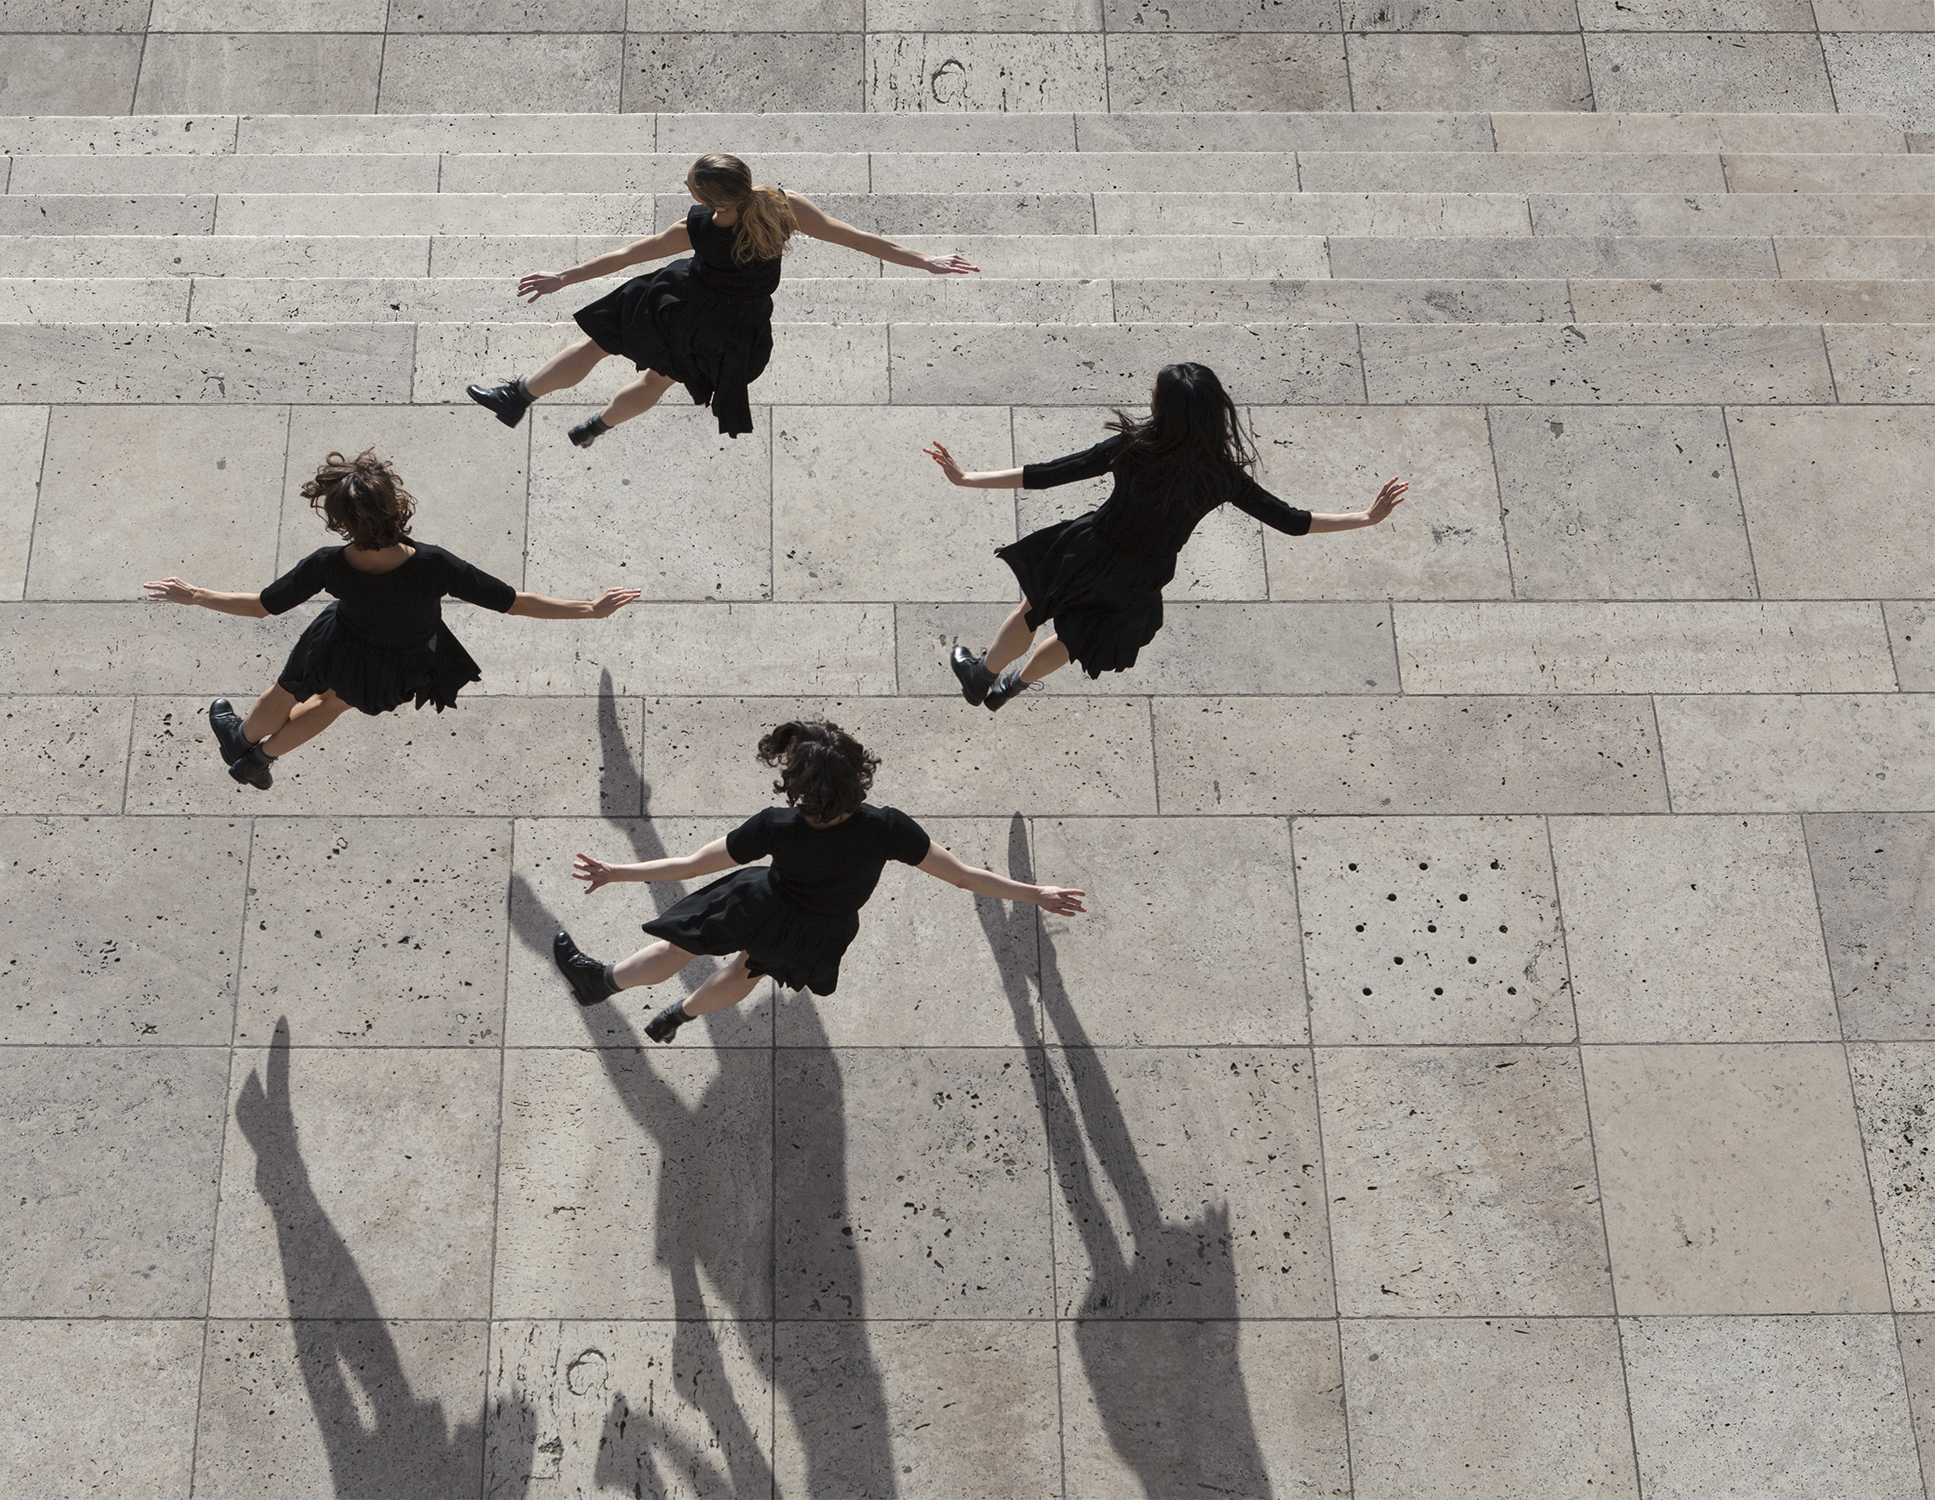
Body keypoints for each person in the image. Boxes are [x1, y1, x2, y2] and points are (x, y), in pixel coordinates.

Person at [550, 720, 1086, 1043]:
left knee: (680, 947)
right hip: (818, 931)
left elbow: (692, 864)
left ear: (799, 787)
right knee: (750, 970)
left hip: (759, 902)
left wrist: (619, 871)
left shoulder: (776, 826)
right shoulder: (886, 828)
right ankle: (679, 1015)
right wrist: (1035, 894)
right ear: (858, 778)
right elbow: (966, 878)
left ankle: (603, 982)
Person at [926, 362, 1409, 710]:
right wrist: (1364, 517)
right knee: (1078, 637)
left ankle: (980, 675)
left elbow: (1050, 473)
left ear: (1167, 410)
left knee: (1033, 609)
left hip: (1092, 549)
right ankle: (1011, 688)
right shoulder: (1221, 475)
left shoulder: (1132, 448)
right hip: (1142, 576)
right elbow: (1293, 521)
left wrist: (967, 478)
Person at [143, 449, 637, 790]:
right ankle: (259, 761)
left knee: (292, 686)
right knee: (334, 704)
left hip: (339, 644)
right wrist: (589, 609)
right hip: (398, 662)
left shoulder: (328, 564)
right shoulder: (434, 563)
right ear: (394, 507)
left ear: (339, 520)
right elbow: (512, 601)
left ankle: (241, 740)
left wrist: (197, 595)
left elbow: (262, 605)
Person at [467, 152, 980, 445]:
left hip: (678, 301)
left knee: (598, 342)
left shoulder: (696, 228)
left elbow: (627, 255)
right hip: (728, 329)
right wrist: (925, 260)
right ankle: (597, 426)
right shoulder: (784, 207)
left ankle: (520, 396)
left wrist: (564, 276)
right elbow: (860, 239)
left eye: (689, 181)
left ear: (706, 199)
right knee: (657, 379)